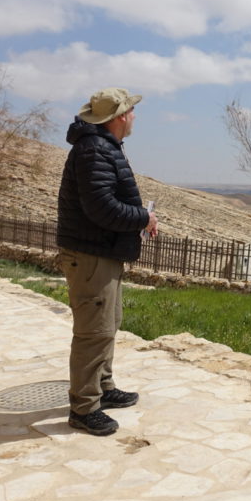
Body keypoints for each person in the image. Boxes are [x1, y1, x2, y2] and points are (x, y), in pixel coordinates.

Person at [56, 87, 158, 436]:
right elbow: (101, 208)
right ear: (119, 118)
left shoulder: (100, 147)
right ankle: (84, 408)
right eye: (130, 111)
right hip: (91, 255)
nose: (133, 117)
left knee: (107, 323)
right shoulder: (95, 150)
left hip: (102, 252)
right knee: (93, 332)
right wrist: (143, 218)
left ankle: (104, 387)